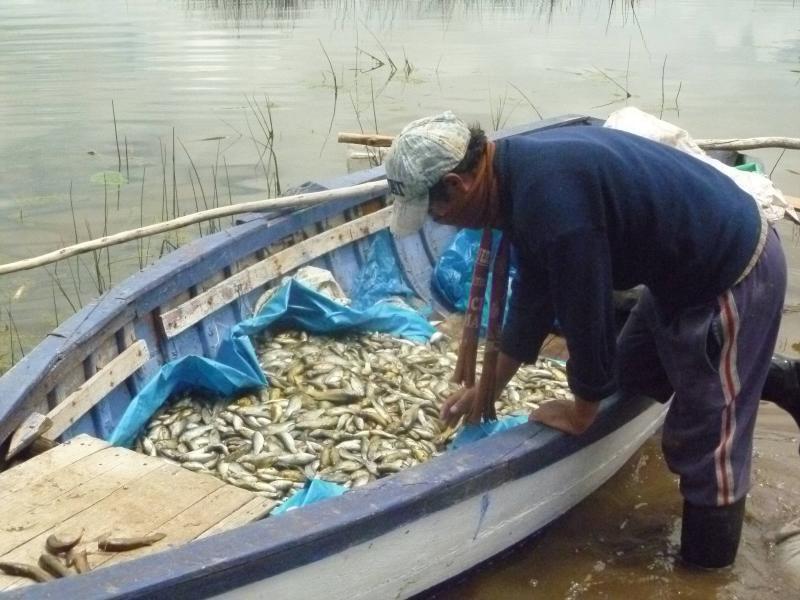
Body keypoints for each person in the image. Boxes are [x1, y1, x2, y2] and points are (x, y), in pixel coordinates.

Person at [384, 110, 795, 569]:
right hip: (674, 273)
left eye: (434, 211)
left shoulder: (551, 201)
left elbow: (586, 309)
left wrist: (582, 409)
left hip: (731, 272)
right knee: (631, 375)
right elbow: (535, 295)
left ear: (459, 185)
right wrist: (488, 390)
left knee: (706, 444)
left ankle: (706, 572)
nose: (442, 224)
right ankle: (781, 378)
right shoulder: (515, 174)